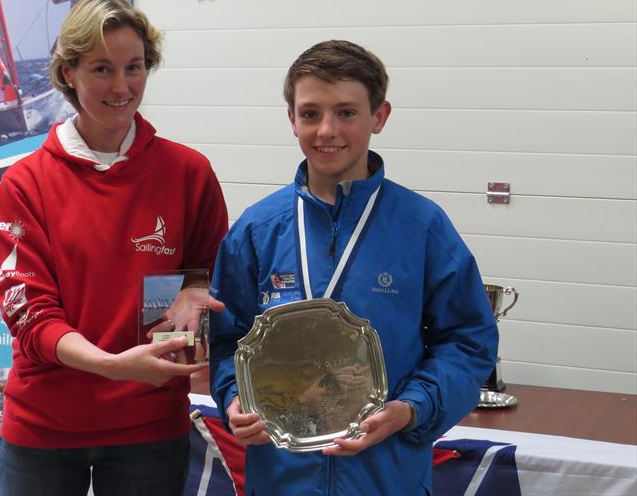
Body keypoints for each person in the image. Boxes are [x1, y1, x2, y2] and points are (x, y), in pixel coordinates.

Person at [209, 40, 498, 495]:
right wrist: (234, 397)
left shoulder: (421, 227)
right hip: (282, 479)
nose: (327, 130)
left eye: (346, 112)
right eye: (310, 113)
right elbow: (228, 341)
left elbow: (468, 341)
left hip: (387, 477)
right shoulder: (257, 230)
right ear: (291, 119)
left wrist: (412, 408)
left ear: (379, 117)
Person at [0, 0, 229, 496]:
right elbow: (30, 314)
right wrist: (113, 366)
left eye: (134, 67)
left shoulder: (188, 173)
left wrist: (195, 288)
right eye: (102, 69)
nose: (122, 87)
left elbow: (208, 267)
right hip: (45, 428)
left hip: (150, 427)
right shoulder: (26, 183)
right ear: (68, 73)